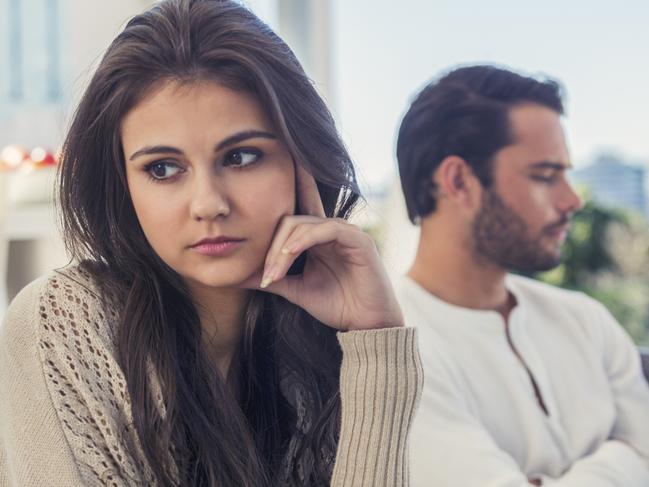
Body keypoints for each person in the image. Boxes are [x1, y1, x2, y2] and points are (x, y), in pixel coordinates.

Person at [0, 1, 423, 485]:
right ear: (123, 185)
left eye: (241, 157)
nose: (208, 204)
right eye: (162, 168)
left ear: (301, 162)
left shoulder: (318, 346)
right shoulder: (62, 322)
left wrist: (375, 341)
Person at [396, 64, 649, 486]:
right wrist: (622, 457)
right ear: (458, 181)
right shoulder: (397, 350)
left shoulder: (586, 320)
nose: (572, 200)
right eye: (545, 176)